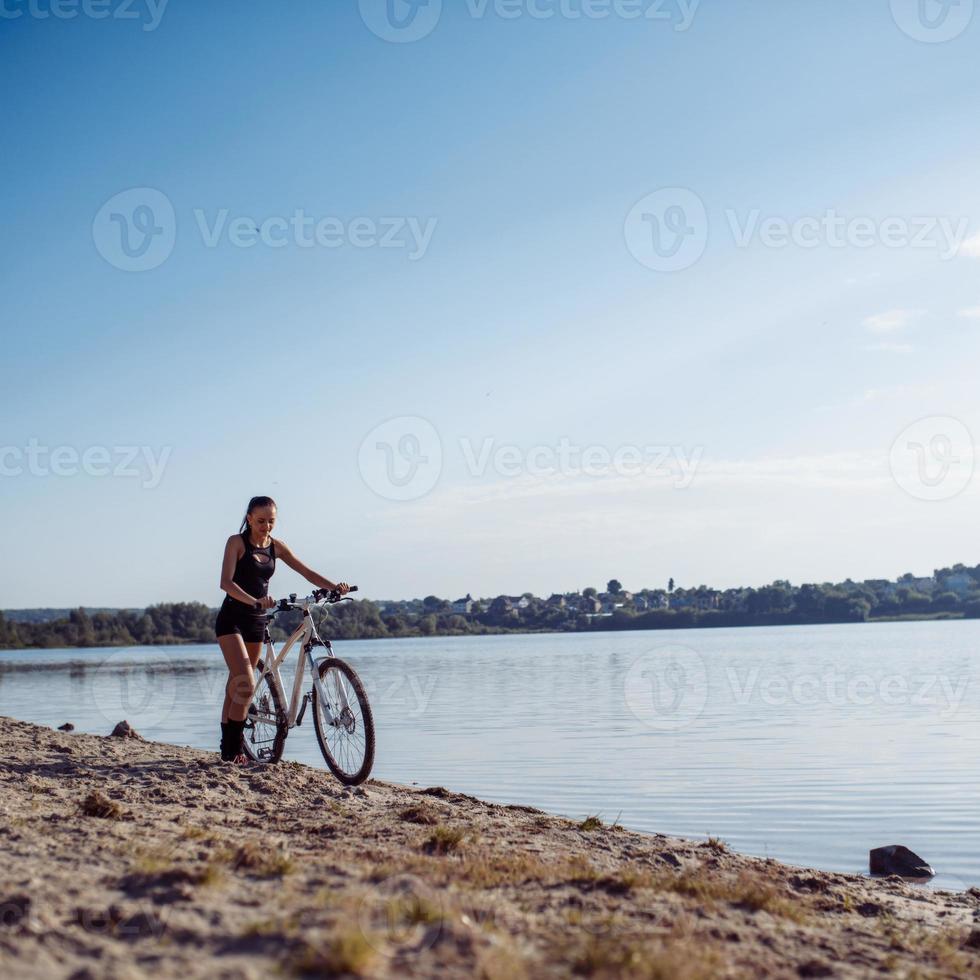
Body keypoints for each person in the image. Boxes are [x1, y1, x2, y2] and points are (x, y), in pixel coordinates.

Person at [215, 495, 350, 763]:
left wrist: (334, 586)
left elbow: (306, 571)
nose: (266, 526)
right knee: (245, 683)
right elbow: (226, 583)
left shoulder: (276, 546)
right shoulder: (236, 543)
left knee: (237, 683)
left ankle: (226, 744)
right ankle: (233, 750)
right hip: (232, 618)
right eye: (261, 521)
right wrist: (254, 600)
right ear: (250, 518)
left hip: (256, 620)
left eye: (271, 521)